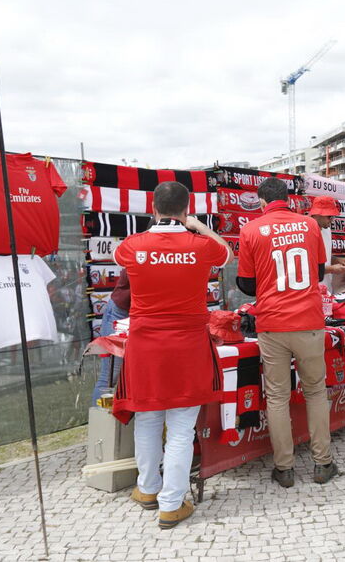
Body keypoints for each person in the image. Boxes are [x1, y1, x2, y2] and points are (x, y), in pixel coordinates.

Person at [113, 181, 232, 529]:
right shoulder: (201, 245)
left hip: (145, 347)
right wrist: (198, 227)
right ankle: (171, 504)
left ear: (153, 209)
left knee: (147, 420)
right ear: (186, 209)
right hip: (187, 347)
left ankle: (148, 489)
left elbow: (122, 259)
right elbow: (227, 253)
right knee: (181, 428)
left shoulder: (132, 245)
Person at [236, 178, 338, 488]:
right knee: (315, 392)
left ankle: (285, 468)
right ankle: (323, 463)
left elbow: (247, 284)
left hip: (273, 323)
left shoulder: (251, 230)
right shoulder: (310, 225)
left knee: (277, 397)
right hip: (308, 320)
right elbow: (317, 273)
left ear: (261, 201)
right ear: (289, 199)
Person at [90, 268, 129, 406]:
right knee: (110, 375)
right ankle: (100, 417)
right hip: (121, 312)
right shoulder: (140, 256)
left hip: (143, 314)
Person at [308, 195, 345, 289]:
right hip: (312, 288)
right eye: (329, 217)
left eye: (333, 217)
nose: (332, 220)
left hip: (327, 287)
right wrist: (332, 269)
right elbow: (308, 267)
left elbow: (324, 257)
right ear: (317, 214)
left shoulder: (327, 230)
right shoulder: (306, 232)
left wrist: (337, 260)